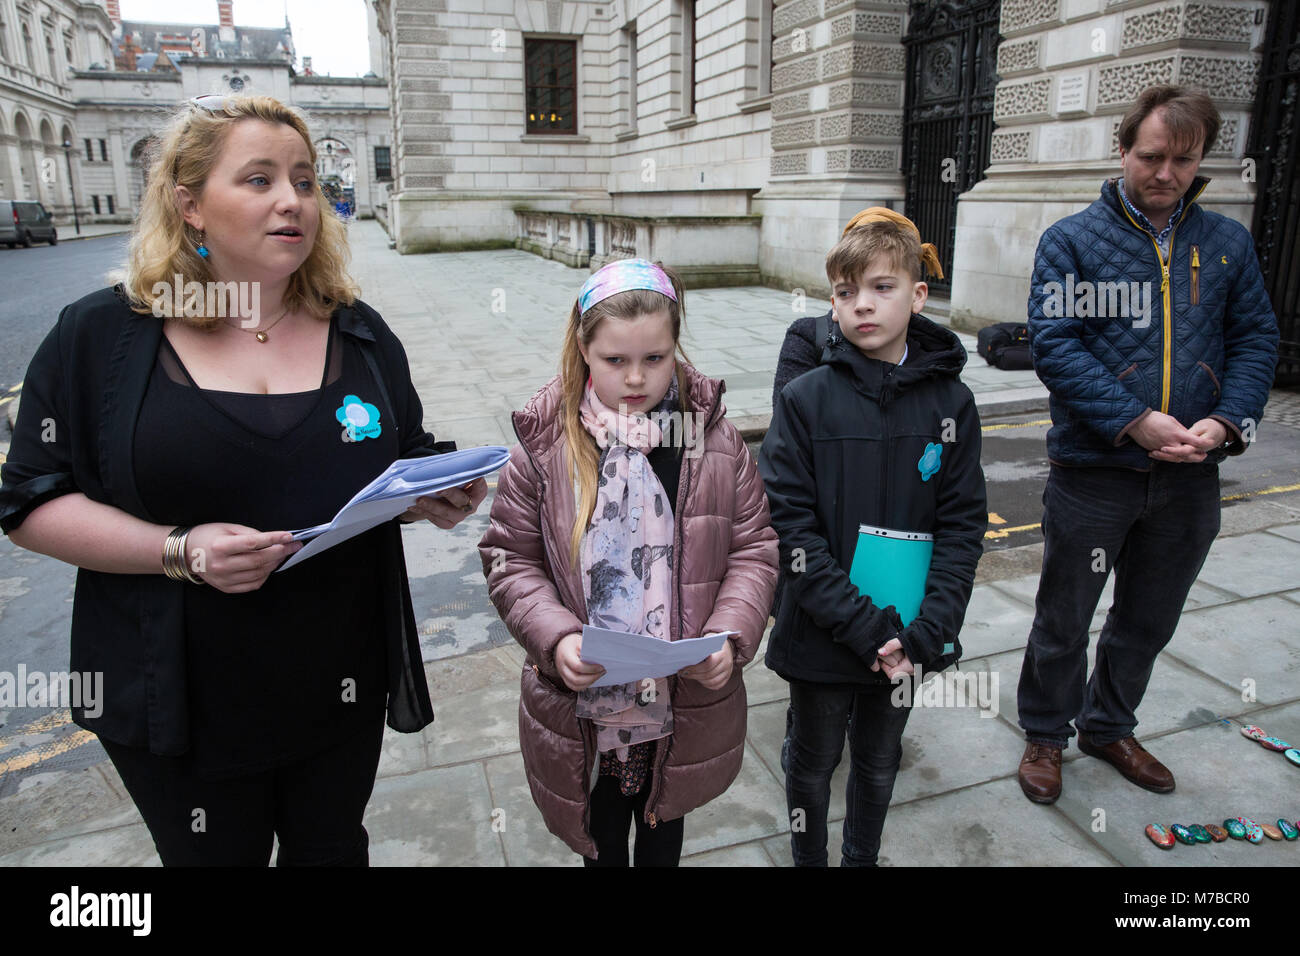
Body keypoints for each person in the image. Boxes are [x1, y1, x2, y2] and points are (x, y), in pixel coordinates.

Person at [0, 94, 486, 865]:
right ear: (189, 204)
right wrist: (179, 550)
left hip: (336, 680)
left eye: (303, 179)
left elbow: (399, 464)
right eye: (258, 180)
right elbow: (30, 500)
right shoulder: (100, 336)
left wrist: (432, 498)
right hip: (180, 696)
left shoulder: (359, 330)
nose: (292, 200)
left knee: (330, 851)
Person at [1015, 85, 1279, 804]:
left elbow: (1257, 339)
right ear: (1123, 149)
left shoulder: (1226, 244)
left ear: (1201, 162)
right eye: (1152, 156)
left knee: (1148, 617)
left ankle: (1109, 726)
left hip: (1191, 475)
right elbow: (1056, 346)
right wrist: (1133, 418)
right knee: (1064, 615)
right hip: (1095, 469)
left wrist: (1226, 423)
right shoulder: (1070, 241)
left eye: (1183, 160)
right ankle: (1046, 734)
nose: (1166, 174)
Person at [478, 258, 778, 866]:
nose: (637, 378)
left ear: (676, 348)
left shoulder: (711, 438)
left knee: (664, 831)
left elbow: (754, 547)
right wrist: (556, 638)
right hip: (585, 707)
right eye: (616, 360)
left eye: (656, 357)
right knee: (602, 838)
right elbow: (511, 556)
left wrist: (730, 637)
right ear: (583, 348)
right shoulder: (547, 442)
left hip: (680, 700)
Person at [758, 209, 987, 866]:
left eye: (881, 287)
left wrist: (928, 628)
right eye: (844, 292)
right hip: (826, 635)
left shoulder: (953, 405)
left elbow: (963, 525)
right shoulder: (805, 400)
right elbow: (791, 530)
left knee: (879, 766)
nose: (861, 305)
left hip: (910, 640)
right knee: (811, 765)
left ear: (918, 295)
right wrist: (865, 628)